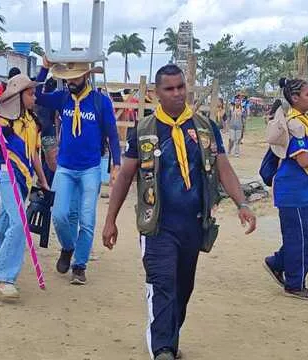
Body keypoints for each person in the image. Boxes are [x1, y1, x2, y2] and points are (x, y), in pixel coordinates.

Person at [102, 64, 256, 360]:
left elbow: (223, 166)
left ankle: (170, 341)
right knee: (162, 285)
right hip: (157, 225)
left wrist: (243, 204)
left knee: (183, 289)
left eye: (180, 87)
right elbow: (126, 176)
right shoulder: (145, 130)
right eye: (169, 89)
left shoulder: (204, 127)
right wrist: (110, 220)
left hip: (194, 224)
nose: (177, 94)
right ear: (156, 93)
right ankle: (161, 349)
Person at [35, 57, 121, 285]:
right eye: (67, 78)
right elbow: (37, 96)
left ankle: (80, 265)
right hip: (65, 167)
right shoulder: (63, 98)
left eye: (75, 77)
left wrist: (116, 165)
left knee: (86, 218)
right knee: (60, 214)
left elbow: (112, 134)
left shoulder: (100, 102)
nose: (71, 82)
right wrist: (44, 69)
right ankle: (68, 247)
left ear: (86, 76)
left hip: (90, 168)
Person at [0, 74, 50, 299]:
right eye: (30, 93)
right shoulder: (3, 121)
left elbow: (35, 155)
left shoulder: (33, 122)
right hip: (7, 174)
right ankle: (5, 277)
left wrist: (43, 180)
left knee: (4, 223)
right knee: (19, 223)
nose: (34, 97)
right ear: (18, 97)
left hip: (25, 179)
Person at [264, 78, 308, 301]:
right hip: (294, 191)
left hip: (306, 189)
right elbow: (304, 161)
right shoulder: (295, 124)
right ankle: (295, 284)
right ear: (295, 98)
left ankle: (278, 262)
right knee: (299, 237)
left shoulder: (304, 121)